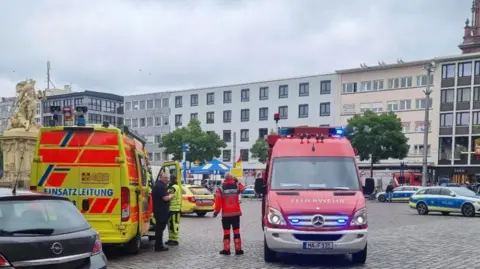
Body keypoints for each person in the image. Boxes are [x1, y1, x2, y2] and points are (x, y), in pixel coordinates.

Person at [213, 173, 245, 255]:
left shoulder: (220, 188)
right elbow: (242, 188)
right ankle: (238, 250)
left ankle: (226, 250)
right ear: (232, 178)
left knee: (226, 232)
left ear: (224, 178)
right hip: (236, 214)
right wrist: (237, 181)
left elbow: (218, 203)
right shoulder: (236, 186)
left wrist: (216, 212)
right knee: (236, 231)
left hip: (226, 215)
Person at [152, 171, 174, 251]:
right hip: (161, 211)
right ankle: (159, 246)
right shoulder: (160, 186)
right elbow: (165, 198)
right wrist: (171, 196)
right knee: (160, 229)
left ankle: (158, 245)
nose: (166, 179)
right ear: (161, 177)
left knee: (160, 228)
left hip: (159, 210)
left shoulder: (158, 185)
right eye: (165, 178)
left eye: (167, 178)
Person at [166, 174, 181, 246]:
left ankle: (175, 240)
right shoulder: (173, 186)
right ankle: (170, 239)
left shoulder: (174, 187)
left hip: (175, 209)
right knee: (170, 225)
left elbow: (170, 196)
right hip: (171, 208)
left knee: (174, 225)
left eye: (169, 179)